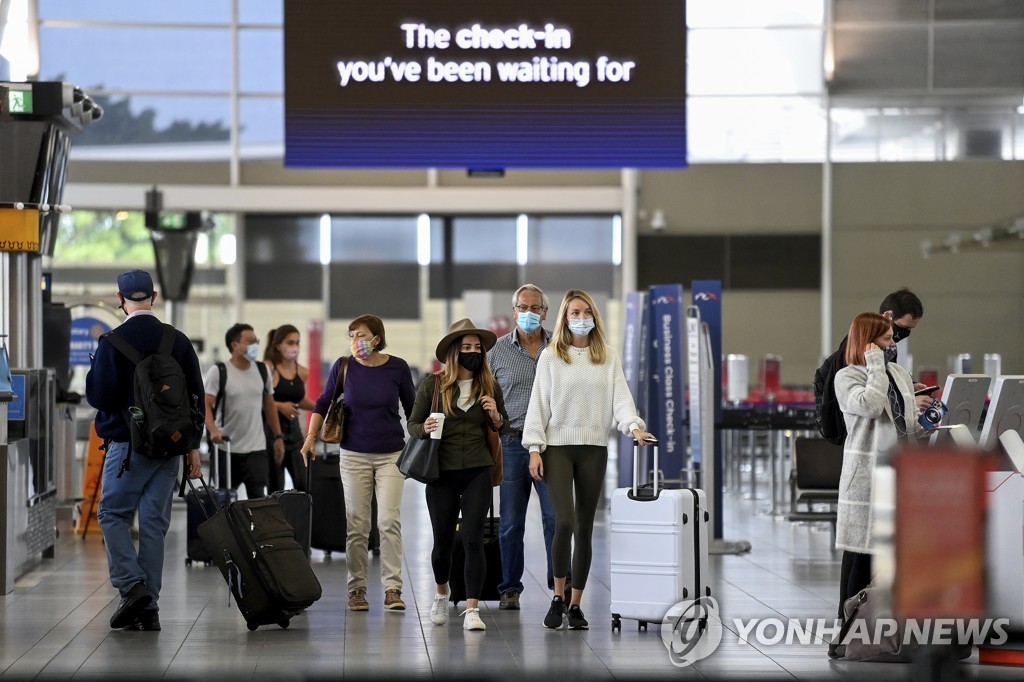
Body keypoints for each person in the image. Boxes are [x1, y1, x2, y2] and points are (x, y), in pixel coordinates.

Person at [523, 290, 655, 631]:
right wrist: (534, 448)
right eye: (574, 312)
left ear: (594, 316)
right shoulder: (552, 356)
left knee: (584, 528)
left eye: (585, 311)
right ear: (564, 318)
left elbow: (622, 400)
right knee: (563, 521)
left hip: (594, 449)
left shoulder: (606, 357)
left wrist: (634, 427)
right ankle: (557, 595)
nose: (580, 317)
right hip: (558, 448)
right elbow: (538, 404)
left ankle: (577, 605)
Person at [86, 269, 204, 631]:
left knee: (112, 516)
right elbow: (196, 398)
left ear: (120, 299)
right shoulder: (178, 341)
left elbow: (99, 397)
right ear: (153, 296)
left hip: (126, 447)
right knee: (154, 525)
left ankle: (131, 585)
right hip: (170, 449)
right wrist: (193, 447)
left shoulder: (112, 341)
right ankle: (149, 607)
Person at [301, 315, 416, 612]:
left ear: (377, 338)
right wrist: (310, 436)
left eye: (361, 335)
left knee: (388, 521)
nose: (355, 341)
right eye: (351, 335)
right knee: (357, 525)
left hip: (391, 454)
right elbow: (324, 401)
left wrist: (424, 439)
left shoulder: (397, 367)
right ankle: (357, 589)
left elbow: (412, 407)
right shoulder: (343, 366)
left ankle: (393, 588)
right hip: (353, 455)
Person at [407, 319, 508, 632]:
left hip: (478, 468)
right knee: (443, 543)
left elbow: (501, 425)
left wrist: (495, 415)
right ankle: (441, 594)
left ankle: (473, 607)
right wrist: (423, 429)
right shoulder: (432, 385)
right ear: (453, 352)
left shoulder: (489, 385)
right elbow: (412, 425)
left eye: (476, 348)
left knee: (474, 539)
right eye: (466, 348)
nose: (472, 353)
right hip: (442, 472)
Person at [833, 312, 925, 618]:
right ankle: (847, 627)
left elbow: (905, 421)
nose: (892, 344)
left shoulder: (898, 373)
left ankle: (879, 625)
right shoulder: (847, 377)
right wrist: (874, 365)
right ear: (868, 342)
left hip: (898, 474)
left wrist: (925, 425)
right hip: (866, 478)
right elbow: (870, 407)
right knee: (861, 554)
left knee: (887, 553)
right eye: (886, 339)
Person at [487, 284, 570, 611]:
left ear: (546, 313)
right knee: (511, 522)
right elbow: (487, 397)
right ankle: (509, 587)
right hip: (512, 443)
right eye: (523, 307)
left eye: (535, 308)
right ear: (514, 311)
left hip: (553, 445)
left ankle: (560, 587)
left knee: (556, 519)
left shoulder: (561, 348)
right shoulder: (496, 353)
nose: (529, 313)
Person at [204, 323, 285, 499]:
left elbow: (269, 404)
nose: (255, 344)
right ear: (235, 345)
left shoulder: (262, 370)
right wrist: (213, 431)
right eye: (250, 341)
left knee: (257, 500)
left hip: (256, 449)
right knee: (223, 500)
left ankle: (255, 528)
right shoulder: (219, 372)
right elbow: (205, 405)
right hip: (226, 449)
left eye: (256, 340)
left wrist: (278, 437)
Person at [263, 325, 315, 493]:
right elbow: (257, 399)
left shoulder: (302, 372)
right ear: (278, 345)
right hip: (271, 436)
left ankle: (301, 518)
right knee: (275, 487)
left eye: (297, 343)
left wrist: (320, 408)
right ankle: (275, 519)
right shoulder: (268, 368)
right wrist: (279, 406)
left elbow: (299, 399)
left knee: (304, 483)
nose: (294, 347)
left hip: (295, 436)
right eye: (290, 342)